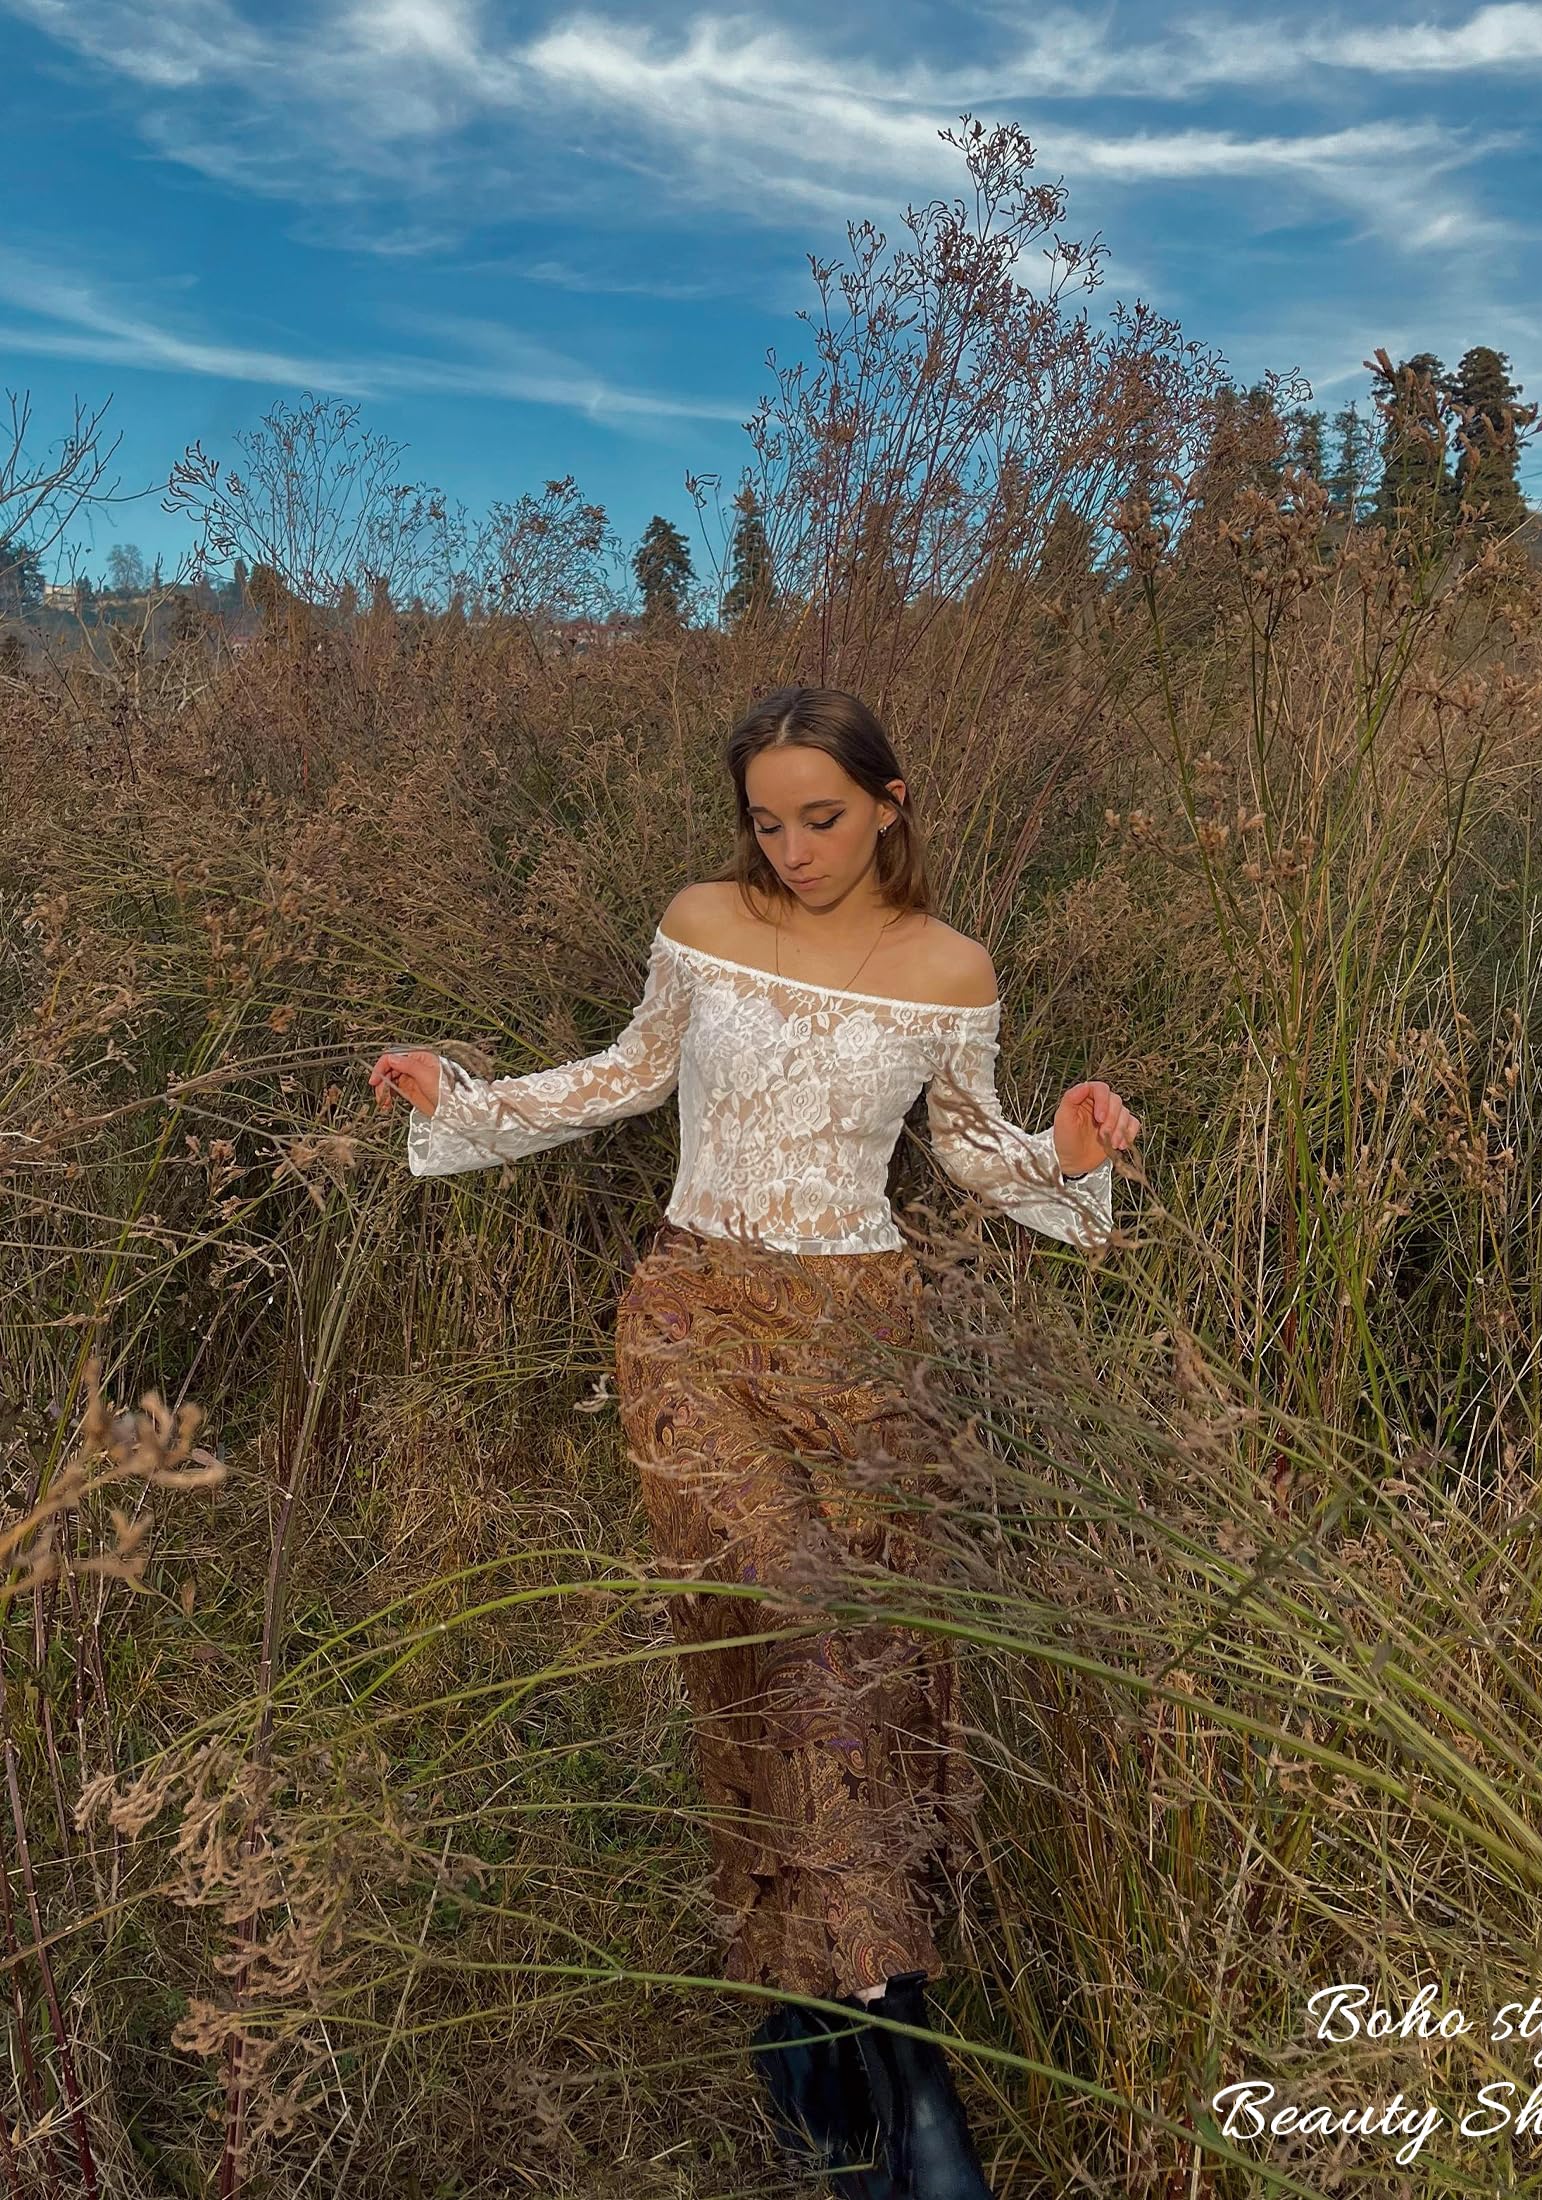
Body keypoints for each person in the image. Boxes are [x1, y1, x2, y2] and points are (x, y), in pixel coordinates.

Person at [368, 685, 1139, 2199]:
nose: (790, 848)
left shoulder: (950, 966)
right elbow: (626, 1072)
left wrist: (1068, 1148)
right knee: (778, 1634)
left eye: (824, 818)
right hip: (694, 1323)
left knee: (863, 1675)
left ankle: (831, 2035)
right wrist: (459, 1100)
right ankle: (906, 2091)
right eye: (767, 820)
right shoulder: (702, 921)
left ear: (892, 802)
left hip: (862, 1348)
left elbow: (972, 1154)